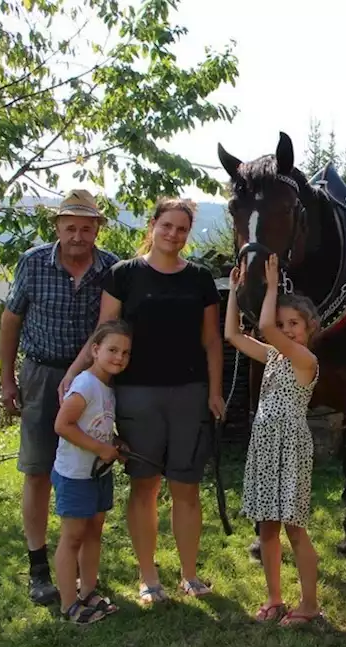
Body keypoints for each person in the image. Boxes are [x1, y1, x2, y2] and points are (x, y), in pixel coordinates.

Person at [63, 197, 225, 604]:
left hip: (190, 394)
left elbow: (212, 342)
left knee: (186, 487)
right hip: (137, 395)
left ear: (188, 234)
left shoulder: (201, 279)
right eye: (166, 225)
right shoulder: (124, 276)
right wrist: (75, 373)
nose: (173, 234)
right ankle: (149, 577)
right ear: (153, 225)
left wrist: (216, 390)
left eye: (182, 229)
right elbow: (105, 333)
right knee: (145, 485)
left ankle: (189, 574)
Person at [0, 188, 118, 605]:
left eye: (87, 228)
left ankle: (84, 570)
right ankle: (38, 566)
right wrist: (7, 379)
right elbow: (10, 321)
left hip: (93, 378)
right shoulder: (33, 263)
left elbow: (109, 327)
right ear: (57, 228)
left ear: (97, 230)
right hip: (41, 371)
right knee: (37, 469)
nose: (78, 236)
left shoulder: (111, 269)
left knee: (87, 466)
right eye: (71, 227)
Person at [224, 255, 323, 626]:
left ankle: (310, 605)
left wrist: (269, 288)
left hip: (290, 445)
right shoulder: (275, 357)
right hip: (265, 445)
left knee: (295, 528)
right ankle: (274, 598)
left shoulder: (304, 359)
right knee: (267, 527)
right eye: (283, 325)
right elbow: (232, 335)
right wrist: (234, 292)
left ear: (309, 326)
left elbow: (264, 325)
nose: (286, 329)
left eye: (293, 324)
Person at [51, 320, 133, 624]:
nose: (119, 358)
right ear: (95, 350)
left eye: (125, 353)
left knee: (93, 532)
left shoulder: (106, 388)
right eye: (112, 350)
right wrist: (100, 450)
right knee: (72, 537)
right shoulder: (85, 384)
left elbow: (96, 428)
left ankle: (87, 590)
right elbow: (62, 425)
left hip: (97, 474)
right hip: (75, 474)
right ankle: (69, 605)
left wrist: (115, 444)